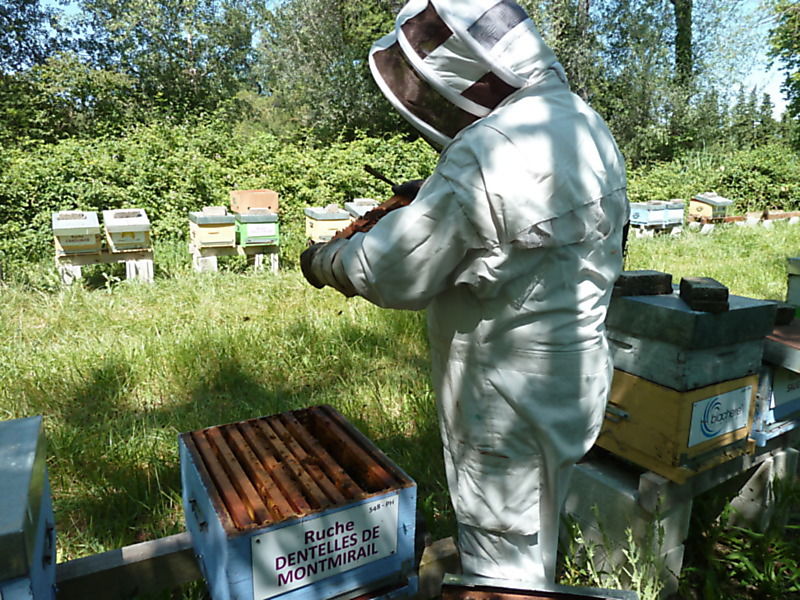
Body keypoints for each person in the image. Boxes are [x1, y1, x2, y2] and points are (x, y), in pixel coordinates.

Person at [300, 0, 629, 585]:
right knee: (538, 529)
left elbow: (393, 269)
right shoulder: (582, 121)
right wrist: (430, 197)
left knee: (502, 569)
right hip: (574, 380)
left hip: (503, 401)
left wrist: (325, 261)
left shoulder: (488, 148)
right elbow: (511, 231)